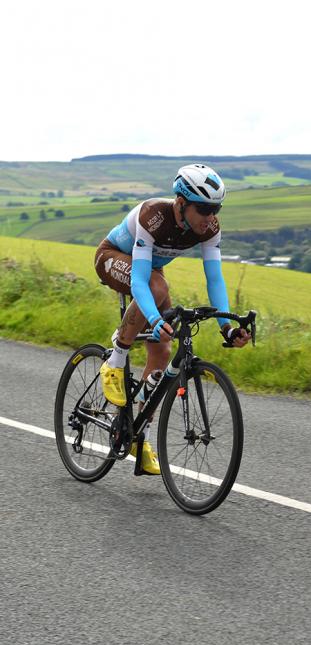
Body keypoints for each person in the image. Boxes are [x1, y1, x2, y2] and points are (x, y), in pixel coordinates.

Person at [93, 164, 250, 474]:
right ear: (181, 203)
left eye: (215, 208)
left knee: (163, 351)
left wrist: (227, 327)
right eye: (204, 208)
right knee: (155, 286)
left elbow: (214, 279)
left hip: (151, 273)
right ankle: (115, 359)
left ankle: (141, 437)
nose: (210, 215)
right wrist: (153, 315)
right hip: (113, 258)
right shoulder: (153, 215)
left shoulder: (210, 228)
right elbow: (139, 280)